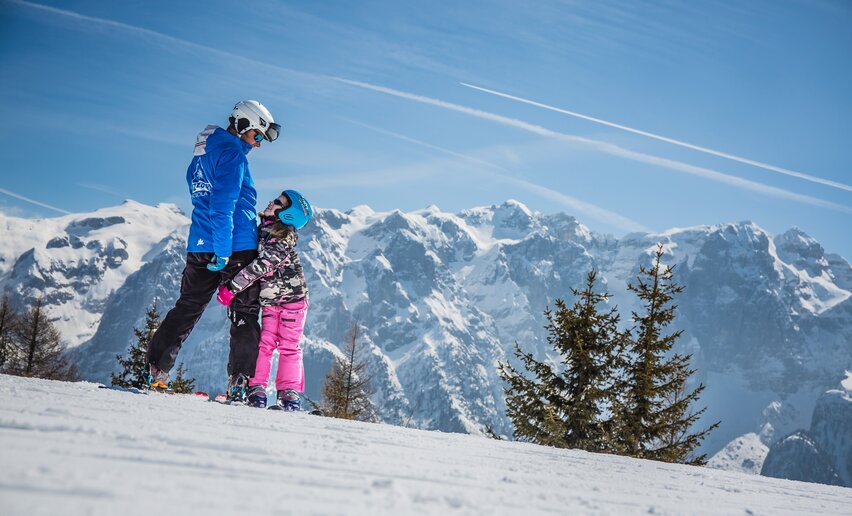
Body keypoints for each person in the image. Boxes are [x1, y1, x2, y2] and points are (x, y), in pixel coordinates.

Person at [146, 100, 282, 402]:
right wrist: (223, 251)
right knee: (245, 313)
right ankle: (241, 383)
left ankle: (157, 369)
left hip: (199, 242)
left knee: (188, 305)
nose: (259, 145)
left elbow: (201, 196)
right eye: (257, 136)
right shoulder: (233, 154)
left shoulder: (203, 151)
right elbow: (223, 205)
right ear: (243, 126)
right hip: (233, 245)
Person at [216, 190, 312, 409]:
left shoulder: (283, 238)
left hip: (293, 301)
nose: (272, 201)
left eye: (279, 202)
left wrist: (232, 287)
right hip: (270, 301)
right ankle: (256, 388)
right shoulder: (265, 230)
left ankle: (288, 394)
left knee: (289, 346)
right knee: (265, 343)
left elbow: (262, 265)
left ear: (288, 215)